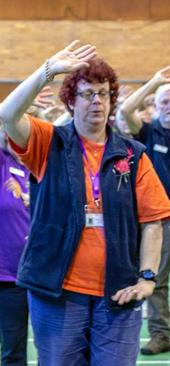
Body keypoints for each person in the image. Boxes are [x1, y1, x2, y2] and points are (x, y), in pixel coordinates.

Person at [0, 41, 170, 365]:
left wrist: (147, 278)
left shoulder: (133, 154)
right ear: (70, 102)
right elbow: (7, 115)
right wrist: (47, 71)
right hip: (57, 293)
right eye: (87, 94)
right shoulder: (48, 142)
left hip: (118, 295)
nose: (97, 102)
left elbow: (153, 221)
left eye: (103, 94)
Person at [0, 86, 53, 366]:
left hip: (45, 273)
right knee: (13, 352)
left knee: (55, 350)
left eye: (26, 119)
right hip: (4, 274)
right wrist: (12, 103)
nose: (19, 126)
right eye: (13, 119)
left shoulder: (48, 164)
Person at [120, 66, 170, 355]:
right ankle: (162, 333)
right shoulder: (150, 132)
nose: (168, 106)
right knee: (158, 279)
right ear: (156, 105)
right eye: (164, 101)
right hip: (161, 220)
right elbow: (127, 110)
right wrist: (153, 83)